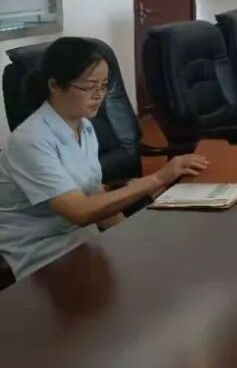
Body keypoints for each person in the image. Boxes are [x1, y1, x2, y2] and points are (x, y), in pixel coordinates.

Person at [0, 38, 207, 280]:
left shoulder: (85, 128)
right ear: (55, 85)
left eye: (104, 85)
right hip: (41, 252)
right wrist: (159, 178)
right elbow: (80, 211)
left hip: (81, 238)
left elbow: (95, 195)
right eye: (89, 86)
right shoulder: (30, 140)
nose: (99, 95)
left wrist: (129, 241)